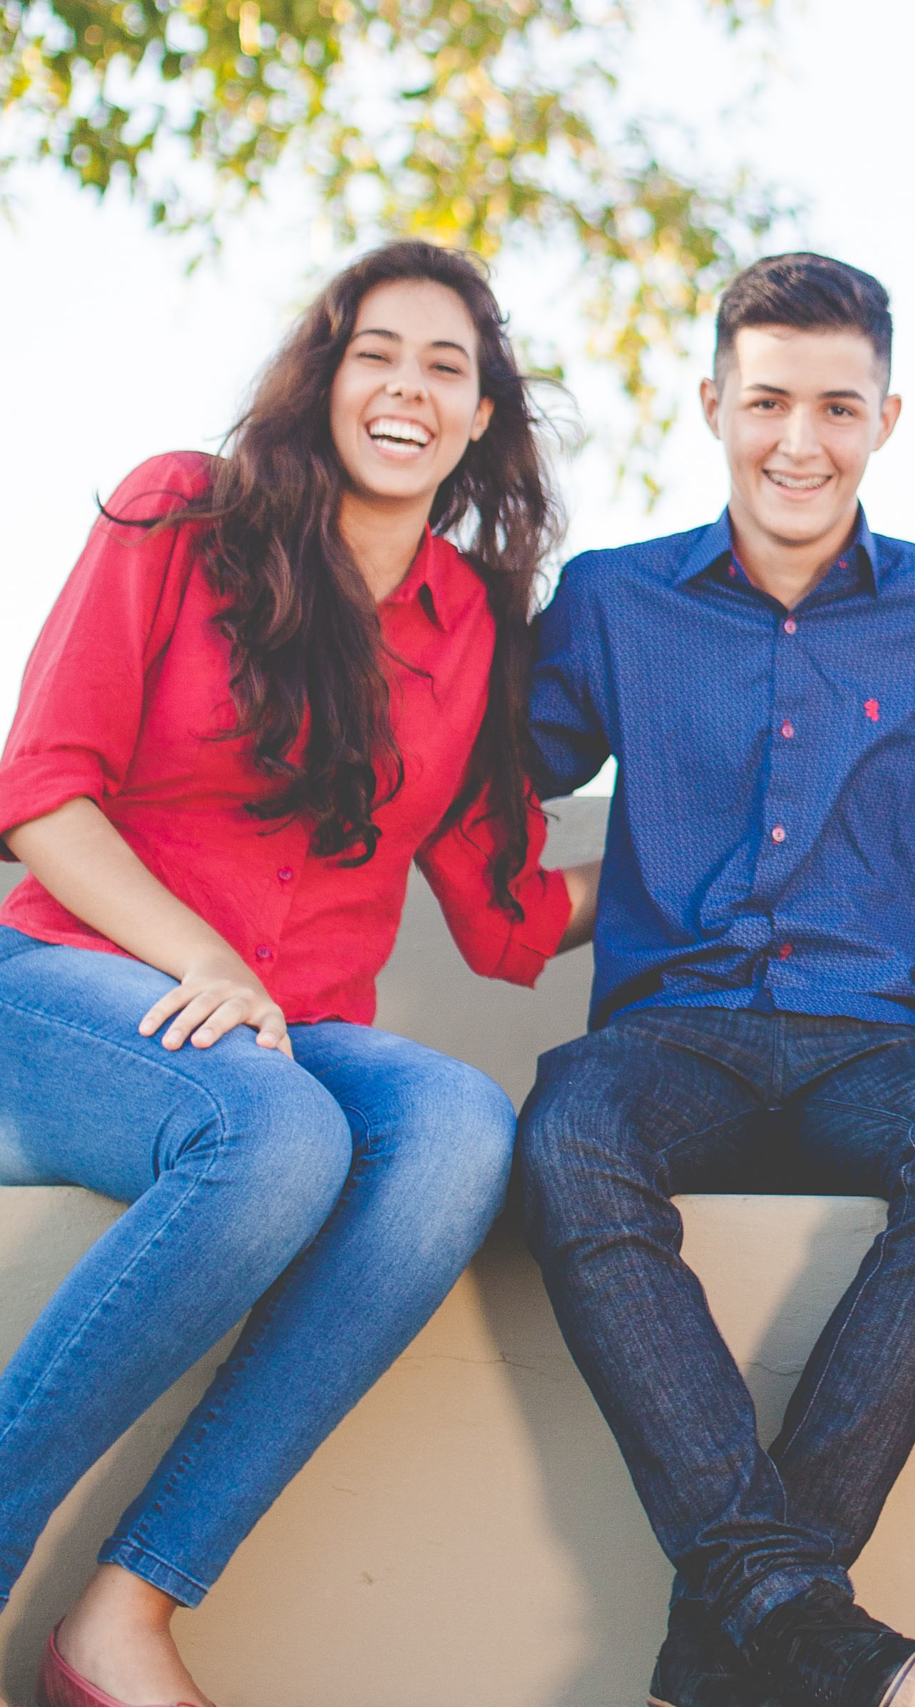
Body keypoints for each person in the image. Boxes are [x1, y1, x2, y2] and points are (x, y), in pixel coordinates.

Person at [0, 242, 595, 1707]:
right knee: (268, 1132)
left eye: (445, 367)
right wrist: (193, 951)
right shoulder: (177, 512)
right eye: (375, 352)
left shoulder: (470, 628)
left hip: (289, 1030)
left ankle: (124, 1615)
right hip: (73, 981)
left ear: (479, 419)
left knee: (456, 1125)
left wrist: (731, 877)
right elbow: (40, 790)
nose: (407, 386)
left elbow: (504, 912)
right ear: (325, 378)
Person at [513, 253, 915, 1707]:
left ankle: (742, 1628)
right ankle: (794, 1612)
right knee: (568, 1128)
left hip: (881, 1049)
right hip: (670, 1040)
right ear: (712, 403)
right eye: (768, 402)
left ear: (890, 416)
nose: (800, 441)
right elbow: (476, 772)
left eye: (839, 404)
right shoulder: (615, 601)